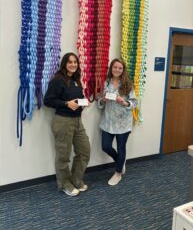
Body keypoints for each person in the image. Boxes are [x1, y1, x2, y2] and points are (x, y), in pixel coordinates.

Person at [44, 52, 90, 197]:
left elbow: (79, 99)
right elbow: (48, 101)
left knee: (84, 151)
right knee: (63, 156)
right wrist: (65, 103)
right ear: (64, 64)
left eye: (75, 62)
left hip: (77, 121)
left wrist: (84, 102)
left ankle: (75, 180)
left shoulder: (76, 80)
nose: (73, 65)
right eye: (70, 62)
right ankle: (64, 184)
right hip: (63, 121)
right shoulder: (57, 80)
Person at [98, 58, 137, 186]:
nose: (117, 70)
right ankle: (120, 161)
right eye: (115, 67)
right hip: (108, 121)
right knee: (106, 146)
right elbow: (100, 102)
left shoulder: (128, 84)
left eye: (120, 68)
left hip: (122, 122)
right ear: (111, 68)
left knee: (121, 148)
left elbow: (134, 103)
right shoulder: (106, 82)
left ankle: (118, 172)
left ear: (123, 70)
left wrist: (124, 102)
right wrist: (103, 100)